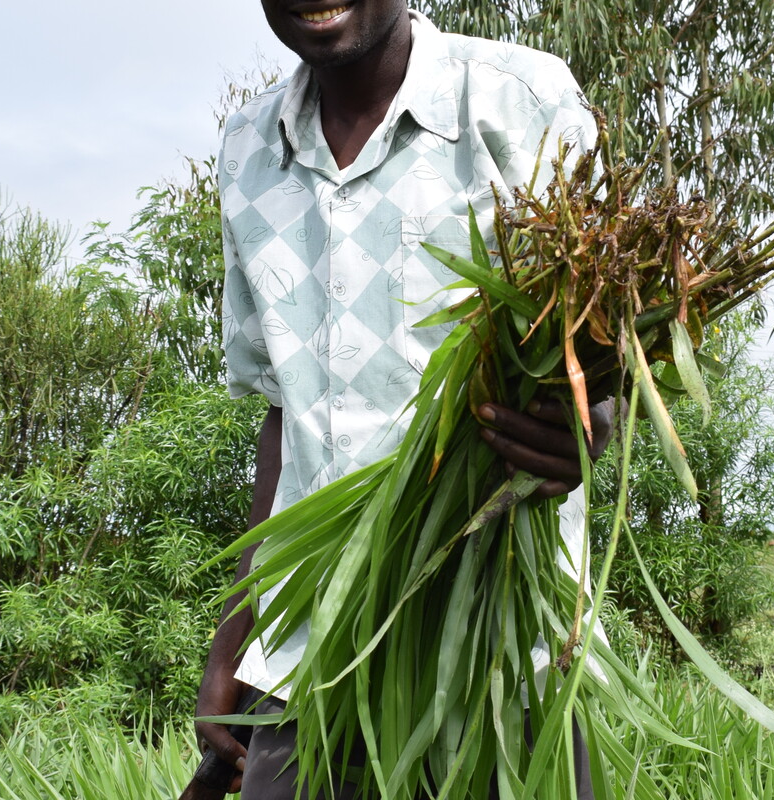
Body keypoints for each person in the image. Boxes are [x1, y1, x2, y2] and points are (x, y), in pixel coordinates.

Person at [196, 2, 612, 797]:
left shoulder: (519, 104)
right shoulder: (248, 150)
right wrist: (232, 641)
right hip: (309, 653)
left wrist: (587, 427)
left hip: (497, 653)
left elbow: (598, 350)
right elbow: (284, 413)